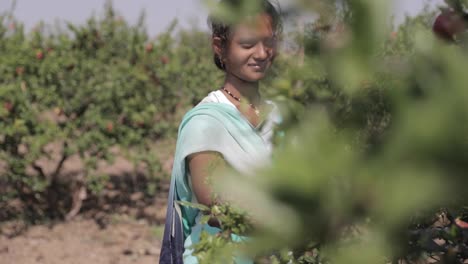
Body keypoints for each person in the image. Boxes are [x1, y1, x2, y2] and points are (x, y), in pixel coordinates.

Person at [160, 1, 283, 263]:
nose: (261, 53)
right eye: (248, 44)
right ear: (220, 47)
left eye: (268, 42)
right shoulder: (206, 122)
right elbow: (218, 205)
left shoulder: (281, 117)